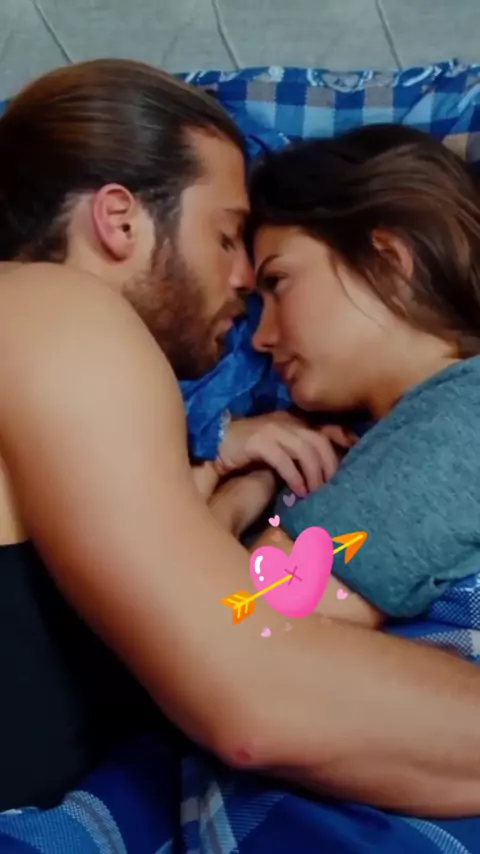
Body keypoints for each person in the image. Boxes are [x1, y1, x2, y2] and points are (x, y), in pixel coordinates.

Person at [0, 60, 479, 819]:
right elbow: (260, 686)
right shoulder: (51, 305)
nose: (244, 280)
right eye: (226, 235)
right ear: (119, 220)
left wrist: (231, 473)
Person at [223, 124, 480, 634]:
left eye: (278, 282)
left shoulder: (464, 418)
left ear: (388, 262)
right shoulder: (376, 436)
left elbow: (232, 619)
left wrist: (235, 490)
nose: (261, 338)